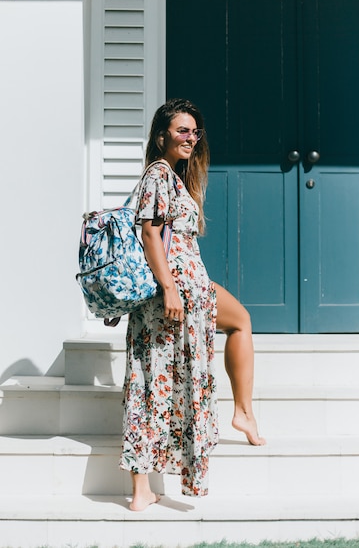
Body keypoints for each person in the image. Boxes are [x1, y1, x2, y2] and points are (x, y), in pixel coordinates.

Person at [119, 98, 265, 512]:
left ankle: (242, 413)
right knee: (151, 382)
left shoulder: (173, 177)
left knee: (168, 377)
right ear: (162, 134)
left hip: (191, 292)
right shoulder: (158, 175)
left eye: (195, 132)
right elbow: (150, 234)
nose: (191, 138)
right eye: (182, 130)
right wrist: (168, 288)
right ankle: (141, 487)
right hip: (173, 294)